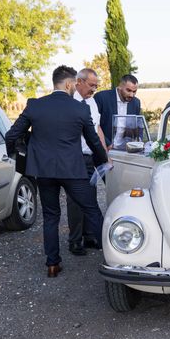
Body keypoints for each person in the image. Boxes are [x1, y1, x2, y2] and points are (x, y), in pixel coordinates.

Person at [5, 65, 108, 278]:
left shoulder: (35, 106)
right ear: (70, 84)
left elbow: (11, 136)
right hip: (73, 169)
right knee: (92, 210)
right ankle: (111, 258)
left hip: (44, 171)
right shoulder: (80, 109)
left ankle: (52, 264)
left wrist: (17, 155)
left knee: (51, 216)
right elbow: (93, 141)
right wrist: (102, 162)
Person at [66, 68, 108, 256]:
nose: (94, 89)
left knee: (90, 196)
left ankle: (90, 235)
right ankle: (75, 241)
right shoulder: (68, 101)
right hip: (74, 157)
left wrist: (105, 152)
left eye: (96, 86)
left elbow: (97, 127)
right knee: (75, 200)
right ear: (79, 82)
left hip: (90, 157)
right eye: (91, 85)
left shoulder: (91, 102)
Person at [94, 74, 141, 148]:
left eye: (134, 91)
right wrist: (107, 144)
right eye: (128, 90)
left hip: (125, 150)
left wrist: (138, 143)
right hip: (103, 148)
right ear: (120, 87)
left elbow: (138, 126)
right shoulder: (101, 97)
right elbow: (94, 124)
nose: (131, 95)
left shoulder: (136, 102)